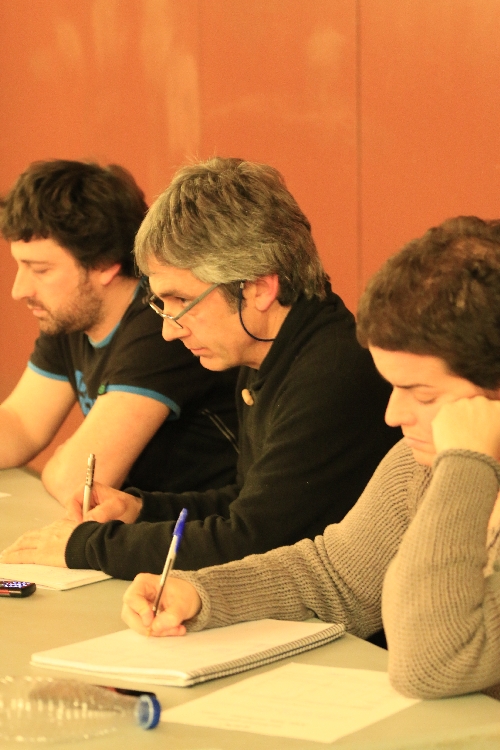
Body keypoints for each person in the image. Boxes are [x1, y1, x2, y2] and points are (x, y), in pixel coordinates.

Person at [120, 215, 500, 702]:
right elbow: (337, 578)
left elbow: (430, 665)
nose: (393, 415)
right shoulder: (417, 464)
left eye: (423, 394)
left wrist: (466, 466)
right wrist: (202, 593)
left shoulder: (454, 465)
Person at [0, 157, 399, 580]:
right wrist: (141, 509)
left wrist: (88, 545)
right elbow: (245, 500)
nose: (169, 330)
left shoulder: (330, 373)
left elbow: (251, 540)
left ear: (259, 288)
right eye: (162, 303)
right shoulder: (264, 351)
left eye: (182, 301)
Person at [0, 159, 239, 503]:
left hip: (201, 527)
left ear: (103, 265)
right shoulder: (70, 313)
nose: (19, 290)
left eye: (40, 270)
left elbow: (76, 483)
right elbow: (21, 424)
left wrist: (62, 465)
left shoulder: (163, 325)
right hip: (140, 524)